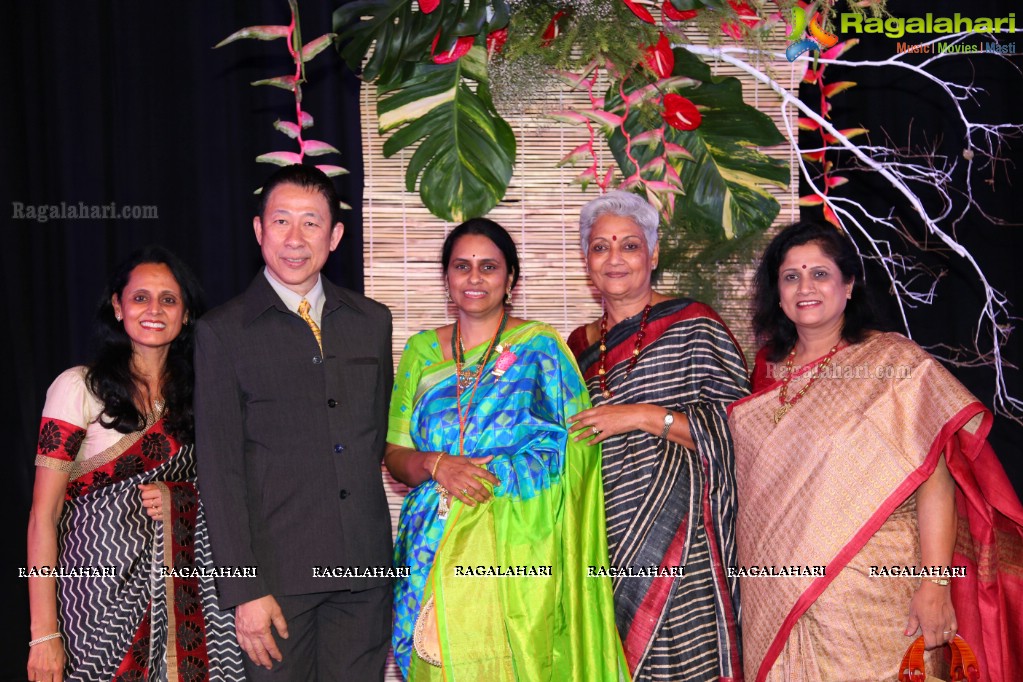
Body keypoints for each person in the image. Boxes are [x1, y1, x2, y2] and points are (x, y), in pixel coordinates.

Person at [728, 221, 1023, 681]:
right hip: (780, 602)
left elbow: (934, 483)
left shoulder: (893, 363)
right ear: (778, 294)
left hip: (874, 597)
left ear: (848, 286)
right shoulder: (764, 376)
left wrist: (936, 584)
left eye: (820, 274)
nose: (805, 287)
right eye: (791, 277)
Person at [385, 218, 626, 680]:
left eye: (489, 267)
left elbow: (573, 451)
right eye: (462, 266)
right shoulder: (420, 352)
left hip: (515, 548)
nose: (474, 278)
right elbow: (396, 454)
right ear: (447, 278)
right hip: (429, 543)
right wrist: (437, 465)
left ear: (510, 279)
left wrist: (496, 476)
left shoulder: (541, 348)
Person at [195, 165, 394, 680]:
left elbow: (370, 438)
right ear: (259, 230)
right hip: (276, 581)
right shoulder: (222, 332)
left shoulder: (372, 321)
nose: (295, 238)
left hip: (365, 570)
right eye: (281, 221)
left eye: (311, 223)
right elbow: (219, 474)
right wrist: (243, 590)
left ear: (335, 236)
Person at [26, 245, 244, 682]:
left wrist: (183, 501)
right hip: (93, 601)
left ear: (185, 314)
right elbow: (42, 516)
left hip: (190, 592)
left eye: (169, 299)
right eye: (140, 297)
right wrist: (43, 633)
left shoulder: (204, 397)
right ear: (117, 306)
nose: (154, 310)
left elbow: (234, 490)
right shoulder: (78, 388)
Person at [565, 191, 749, 681]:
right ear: (587, 261)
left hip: (683, 532)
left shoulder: (695, 324)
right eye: (600, 247)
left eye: (628, 244)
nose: (615, 258)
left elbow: (742, 430)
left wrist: (642, 416)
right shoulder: (577, 346)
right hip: (602, 528)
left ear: (653, 253)